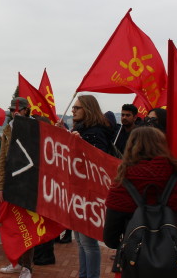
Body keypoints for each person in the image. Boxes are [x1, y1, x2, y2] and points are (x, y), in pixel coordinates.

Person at [103, 127, 177, 278]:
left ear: (130, 148)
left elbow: (110, 239)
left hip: (136, 269)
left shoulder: (122, 184)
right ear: (163, 145)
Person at [66, 94, 112, 278]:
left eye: (77, 108)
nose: (73, 110)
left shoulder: (96, 132)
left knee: (88, 241)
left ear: (88, 109)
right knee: (79, 239)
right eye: (73, 108)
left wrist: (81, 143)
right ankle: (83, 274)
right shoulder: (82, 129)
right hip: (79, 191)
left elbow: (98, 161)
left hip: (89, 193)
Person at [0, 97, 37, 278]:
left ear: (26, 111)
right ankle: (16, 262)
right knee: (12, 225)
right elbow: (3, 160)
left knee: (27, 227)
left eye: (18, 110)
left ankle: (27, 267)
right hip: (11, 184)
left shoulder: (36, 128)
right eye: (13, 110)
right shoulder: (8, 129)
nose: (15, 113)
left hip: (29, 184)